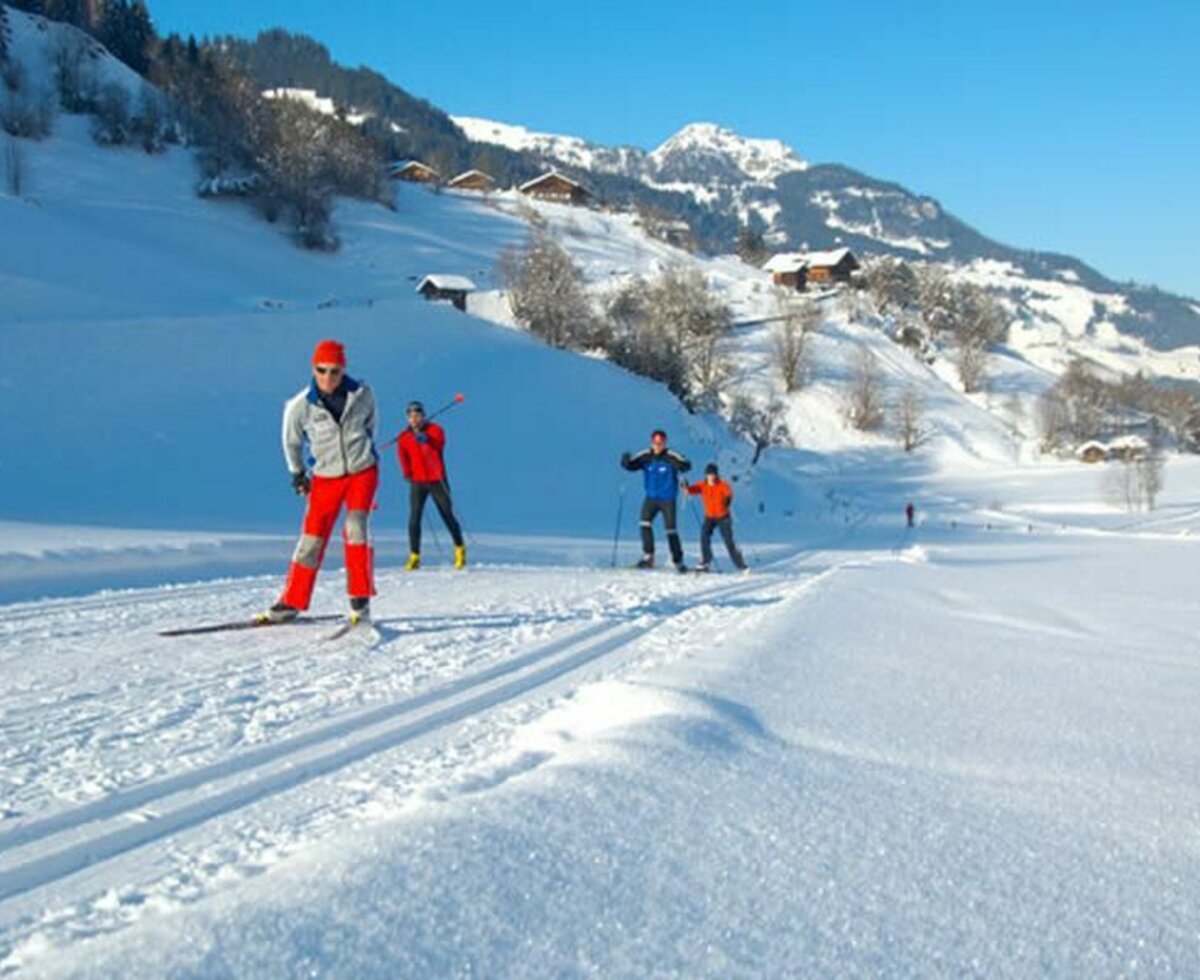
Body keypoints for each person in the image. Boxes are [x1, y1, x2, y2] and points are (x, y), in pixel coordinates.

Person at [265, 339, 378, 624]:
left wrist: (363, 450)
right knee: (312, 537)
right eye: (322, 370)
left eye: (335, 371)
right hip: (326, 477)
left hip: (361, 472)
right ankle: (292, 600)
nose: (329, 377)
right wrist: (298, 473)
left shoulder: (363, 394)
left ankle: (360, 598)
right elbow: (291, 441)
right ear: (313, 369)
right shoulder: (300, 405)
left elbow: (371, 426)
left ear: (344, 370)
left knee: (355, 528)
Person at [397, 400, 466, 570]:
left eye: (417, 416)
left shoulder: (436, 430)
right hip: (418, 482)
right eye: (411, 416)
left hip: (437, 480)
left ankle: (459, 549)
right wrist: (407, 473)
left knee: (447, 515)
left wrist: (426, 439)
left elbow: (439, 445)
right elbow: (403, 456)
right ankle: (414, 556)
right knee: (414, 518)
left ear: (423, 416)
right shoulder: (404, 437)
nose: (414, 419)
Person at [621, 429, 691, 571]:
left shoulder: (671, 456)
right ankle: (648, 556)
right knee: (644, 523)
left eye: (661, 443)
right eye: (655, 442)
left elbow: (685, 464)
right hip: (651, 498)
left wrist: (683, 465)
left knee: (671, 530)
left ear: (665, 443)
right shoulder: (646, 456)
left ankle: (678, 561)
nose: (658, 445)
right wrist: (626, 461)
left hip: (668, 499)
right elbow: (632, 465)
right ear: (651, 442)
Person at [685, 463, 747, 572]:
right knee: (704, 536)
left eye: (713, 475)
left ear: (716, 475)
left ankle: (741, 565)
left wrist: (727, 501)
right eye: (709, 475)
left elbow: (729, 493)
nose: (711, 477)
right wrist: (685, 487)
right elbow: (692, 490)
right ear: (706, 475)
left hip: (723, 517)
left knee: (728, 541)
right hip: (709, 517)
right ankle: (705, 561)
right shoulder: (702, 485)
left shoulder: (722, 484)